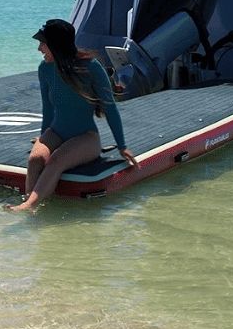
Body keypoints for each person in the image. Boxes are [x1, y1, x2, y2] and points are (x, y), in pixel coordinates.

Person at [8, 18, 138, 212]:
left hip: (86, 138)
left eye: (43, 44)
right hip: (56, 132)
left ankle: (29, 205)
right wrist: (43, 139)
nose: (39, 49)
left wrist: (122, 146)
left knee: (56, 160)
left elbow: (110, 108)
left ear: (56, 45)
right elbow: (48, 109)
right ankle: (30, 202)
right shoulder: (44, 69)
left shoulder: (92, 67)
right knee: (35, 159)